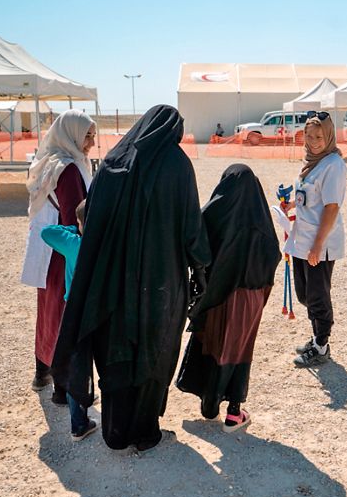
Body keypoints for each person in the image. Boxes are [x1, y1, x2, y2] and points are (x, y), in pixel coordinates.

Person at [53, 105, 211, 455]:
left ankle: (115, 431)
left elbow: (89, 217)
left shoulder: (113, 164)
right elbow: (191, 228)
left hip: (112, 281)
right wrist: (202, 268)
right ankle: (145, 431)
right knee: (153, 350)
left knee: (115, 350)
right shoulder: (178, 165)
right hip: (163, 282)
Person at [176, 164, 281, 432]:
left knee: (212, 343)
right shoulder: (261, 220)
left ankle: (209, 405)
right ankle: (234, 412)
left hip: (218, 295)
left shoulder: (214, 215)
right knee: (239, 349)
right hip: (250, 298)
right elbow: (274, 256)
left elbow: (195, 241)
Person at [21, 109, 96, 405]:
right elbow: (72, 216)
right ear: (71, 135)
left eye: (92, 136)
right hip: (64, 257)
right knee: (64, 318)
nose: (90, 142)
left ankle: (42, 372)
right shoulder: (69, 169)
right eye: (86, 136)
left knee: (47, 314)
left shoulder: (48, 162)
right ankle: (63, 386)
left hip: (47, 252)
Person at [281, 111, 347, 367]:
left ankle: (321, 344)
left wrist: (318, 246)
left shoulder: (333, 164)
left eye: (319, 136)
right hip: (302, 240)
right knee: (304, 295)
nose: (313, 140)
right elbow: (308, 199)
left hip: (320, 243)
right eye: (309, 135)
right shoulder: (310, 161)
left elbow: (331, 207)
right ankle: (316, 335)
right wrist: (290, 207)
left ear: (329, 135)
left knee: (318, 295)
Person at [41, 199, 98, 441]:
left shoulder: (74, 243)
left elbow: (47, 232)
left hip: (74, 312)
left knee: (77, 366)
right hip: (101, 311)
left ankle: (79, 424)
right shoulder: (103, 245)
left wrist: (75, 228)